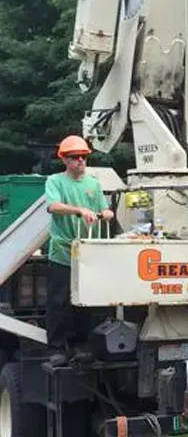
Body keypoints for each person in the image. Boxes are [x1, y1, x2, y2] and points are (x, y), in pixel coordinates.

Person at [44, 135, 114, 364]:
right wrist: (79, 210)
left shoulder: (93, 184)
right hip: (63, 251)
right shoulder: (55, 181)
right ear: (64, 159)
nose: (80, 160)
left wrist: (105, 214)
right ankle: (57, 348)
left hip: (87, 253)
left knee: (86, 301)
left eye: (83, 156)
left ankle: (82, 346)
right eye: (75, 157)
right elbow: (53, 206)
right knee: (59, 301)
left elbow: (107, 210)